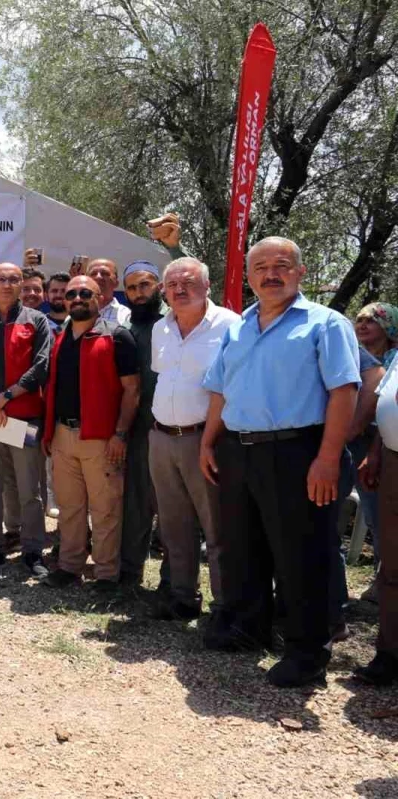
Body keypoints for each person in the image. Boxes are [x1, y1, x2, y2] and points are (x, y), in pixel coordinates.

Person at [199, 236, 360, 688]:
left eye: (282, 265)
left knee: (299, 553)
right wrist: (209, 442)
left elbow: (344, 392)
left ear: (301, 272)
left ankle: (306, 654)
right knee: (245, 546)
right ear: (249, 277)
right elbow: (220, 389)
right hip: (238, 448)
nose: (271, 274)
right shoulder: (239, 326)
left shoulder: (326, 324)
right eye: (261, 268)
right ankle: (251, 628)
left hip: (297, 451)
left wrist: (328, 459)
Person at [148, 258, 239, 620]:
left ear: (207, 286)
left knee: (217, 530)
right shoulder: (161, 328)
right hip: (162, 438)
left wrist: (210, 442)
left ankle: (225, 608)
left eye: (188, 282)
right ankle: (183, 597)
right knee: (174, 526)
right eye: (172, 284)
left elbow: (231, 388)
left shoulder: (231, 326)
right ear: (164, 291)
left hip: (207, 441)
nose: (180, 289)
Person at [42, 275, 140, 592]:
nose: (78, 298)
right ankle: (69, 566)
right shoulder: (60, 337)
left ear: (100, 297)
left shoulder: (118, 337)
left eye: (86, 292)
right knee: (69, 507)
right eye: (72, 294)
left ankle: (107, 573)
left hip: (101, 438)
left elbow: (132, 390)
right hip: (62, 435)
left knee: (105, 508)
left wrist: (120, 435)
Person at [0, 264, 54, 578]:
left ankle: (32, 552)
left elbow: (42, 365)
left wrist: (5, 397)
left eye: (14, 279)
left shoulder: (37, 320)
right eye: (0, 279)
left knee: (30, 490)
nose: (6, 284)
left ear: (21, 285)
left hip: (24, 416)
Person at [119, 260, 165, 588]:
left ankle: (175, 584)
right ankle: (129, 574)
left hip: (173, 429)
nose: (139, 293)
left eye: (145, 285)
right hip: (135, 429)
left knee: (175, 511)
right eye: (132, 287)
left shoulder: (177, 321)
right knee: (135, 503)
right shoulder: (124, 326)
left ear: (159, 286)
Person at [356, 355, 398, 684]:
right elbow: (387, 402)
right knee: (391, 565)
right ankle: (388, 653)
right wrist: (375, 452)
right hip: (391, 460)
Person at [85, 260, 132, 326]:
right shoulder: (75, 314)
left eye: (105, 273)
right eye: (93, 273)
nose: (98, 277)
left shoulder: (126, 316)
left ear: (116, 283)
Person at [355, 302, 398, 368]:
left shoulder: (395, 361)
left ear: (388, 327)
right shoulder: (351, 355)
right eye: (359, 320)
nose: (362, 326)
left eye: (370, 321)